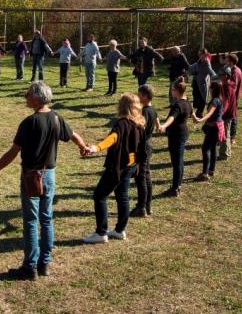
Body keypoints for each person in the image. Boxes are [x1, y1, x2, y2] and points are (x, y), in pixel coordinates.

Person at [0, 81, 88, 280]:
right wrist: (83, 146)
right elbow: (73, 135)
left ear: (38, 98)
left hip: (31, 176)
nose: (26, 96)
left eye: (28, 94)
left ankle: (30, 267)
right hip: (50, 175)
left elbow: (12, 153)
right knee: (46, 218)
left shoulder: (30, 122)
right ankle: (45, 263)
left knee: (31, 221)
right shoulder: (57, 118)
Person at [80, 93, 146, 244]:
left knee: (99, 195)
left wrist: (96, 148)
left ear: (122, 106)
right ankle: (119, 230)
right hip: (131, 165)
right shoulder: (139, 124)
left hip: (118, 167)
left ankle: (101, 232)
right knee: (122, 195)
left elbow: (113, 138)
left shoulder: (122, 123)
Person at [157, 78, 193, 197]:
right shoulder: (187, 102)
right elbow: (192, 113)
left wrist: (163, 126)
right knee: (180, 161)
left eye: (172, 89)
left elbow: (172, 117)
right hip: (183, 134)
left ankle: (175, 188)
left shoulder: (177, 105)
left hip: (176, 135)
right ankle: (178, 185)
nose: (171, 91)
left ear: (177, 91)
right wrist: (196, 118)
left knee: (177, 162)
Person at [132, 85, 158, 217]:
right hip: (149, 144)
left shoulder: (146, 111)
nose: (138, 97)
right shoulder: (153, 109)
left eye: (140, 95)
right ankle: (147, 206)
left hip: (143, 145)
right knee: (146, 176)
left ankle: (141, 207)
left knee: (141, 177)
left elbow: (141, 128)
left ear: (146, 97)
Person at [193, 81, 224, 182]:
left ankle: (205, 173)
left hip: (213, 129)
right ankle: (211, 170)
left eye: (210, 88)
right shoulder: (220, 99)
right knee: (213, 148)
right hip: (218, 127)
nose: (209, 89)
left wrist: (199, 120)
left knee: (205, 149)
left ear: (213, 89)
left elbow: (209, 114)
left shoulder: (215, 101)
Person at [220, 54, 242, 156]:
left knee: (232, 118)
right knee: (231, 118)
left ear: (231, 62)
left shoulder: (234, 71)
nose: (226, 62)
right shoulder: (234, 70)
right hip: (233, 97)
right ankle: (229, 138)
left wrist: (223, 110)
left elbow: (233, 86)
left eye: (227, 60)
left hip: (233, 98)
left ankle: (232, 137)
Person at [218, 67, 237, 161]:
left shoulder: (227, 86)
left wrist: (222, 112)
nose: (220, 76)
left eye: (222, 74)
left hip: (227, 113)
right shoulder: (228, 84)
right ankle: (226, 152)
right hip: (229, 112)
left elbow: (227, 101)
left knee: (225, 134)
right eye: (219, 74)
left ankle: (225, 154)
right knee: (226, 133)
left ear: (227, 75)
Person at [190, 48, 217, 116]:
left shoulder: (207, 63)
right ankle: (196, 112)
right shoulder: (198, 62)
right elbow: (192, 68)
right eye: (199, 54)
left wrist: (218, 77)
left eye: (201, 54)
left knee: (202, 98)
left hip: (202, 83)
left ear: (205, 55)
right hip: (196, 82)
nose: (199, 55)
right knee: (196, 97)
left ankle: (200, 113)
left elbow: (211, 72)